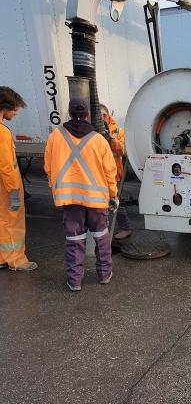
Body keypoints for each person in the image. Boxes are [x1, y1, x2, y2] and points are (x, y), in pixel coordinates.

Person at [44, 97, 117, 291]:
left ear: (68, 113)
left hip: (69, 199)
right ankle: (104, 274)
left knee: (74, 240)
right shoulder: (99, 140)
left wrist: (56, 189)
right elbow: (110, 171)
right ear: (87, 114)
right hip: (97, 201)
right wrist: (113, 194)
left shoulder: (55, 136)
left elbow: (48, 168)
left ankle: (74, 281)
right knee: (101, 238)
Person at [0, 86, 37, 271]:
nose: (15, 113)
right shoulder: (2, 132)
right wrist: (14, 191)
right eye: (14, 109)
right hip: (5, 188)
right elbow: (7, 166)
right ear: (4, 107)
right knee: (11, 223)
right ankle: (16, 260)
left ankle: (1, 258)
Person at [100, 103, 132, 240]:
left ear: (108, 115)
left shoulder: (118, 131)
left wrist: (111, 138)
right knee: (101, 204)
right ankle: (102, 231)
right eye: (99, 116)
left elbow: (123, 150)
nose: (102, 118)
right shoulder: (92, 132)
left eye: (104, 115)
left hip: (114, 174)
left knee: (116, 201)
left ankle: (125, 228)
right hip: (97, 174)